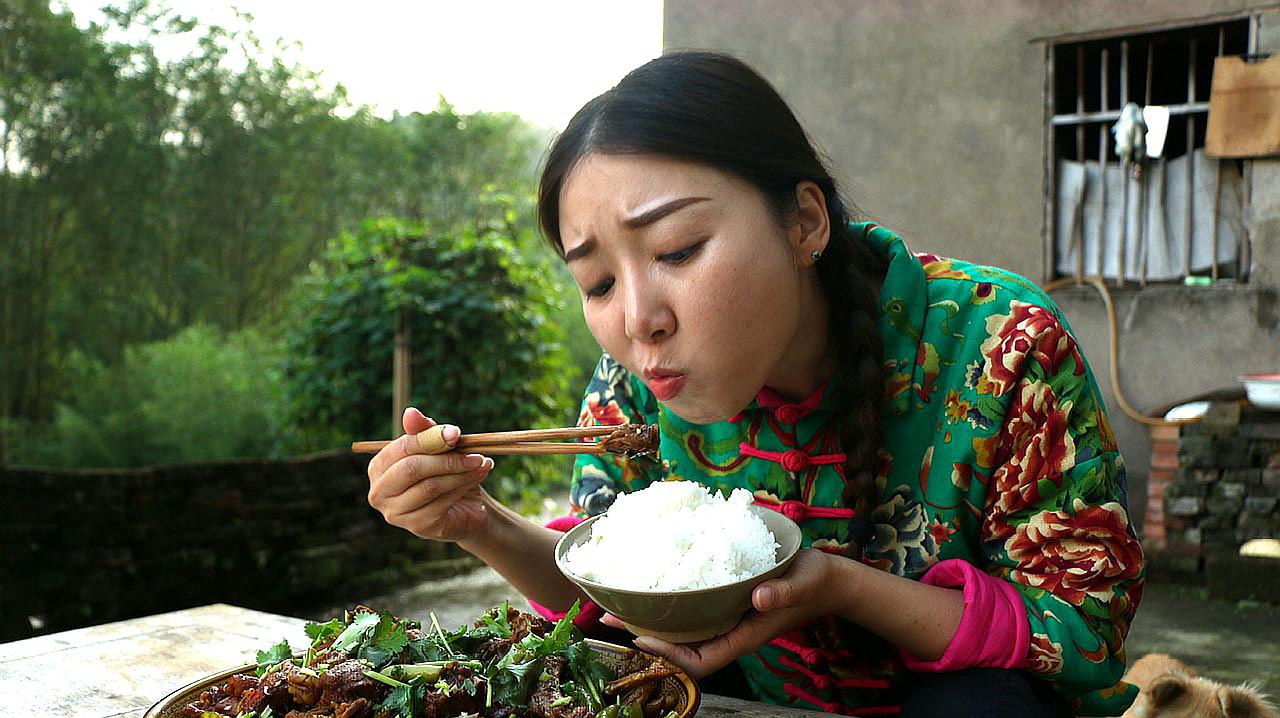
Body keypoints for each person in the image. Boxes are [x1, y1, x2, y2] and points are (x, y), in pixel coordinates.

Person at [366, 51, 1144, 717]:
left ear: (804, 221)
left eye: (677, 248)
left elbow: (1081, 627)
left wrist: (841, 586)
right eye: (599, 282)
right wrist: (478, 522)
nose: (639, 320)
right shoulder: (634, 385)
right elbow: (605, 596)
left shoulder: (1004, 348)